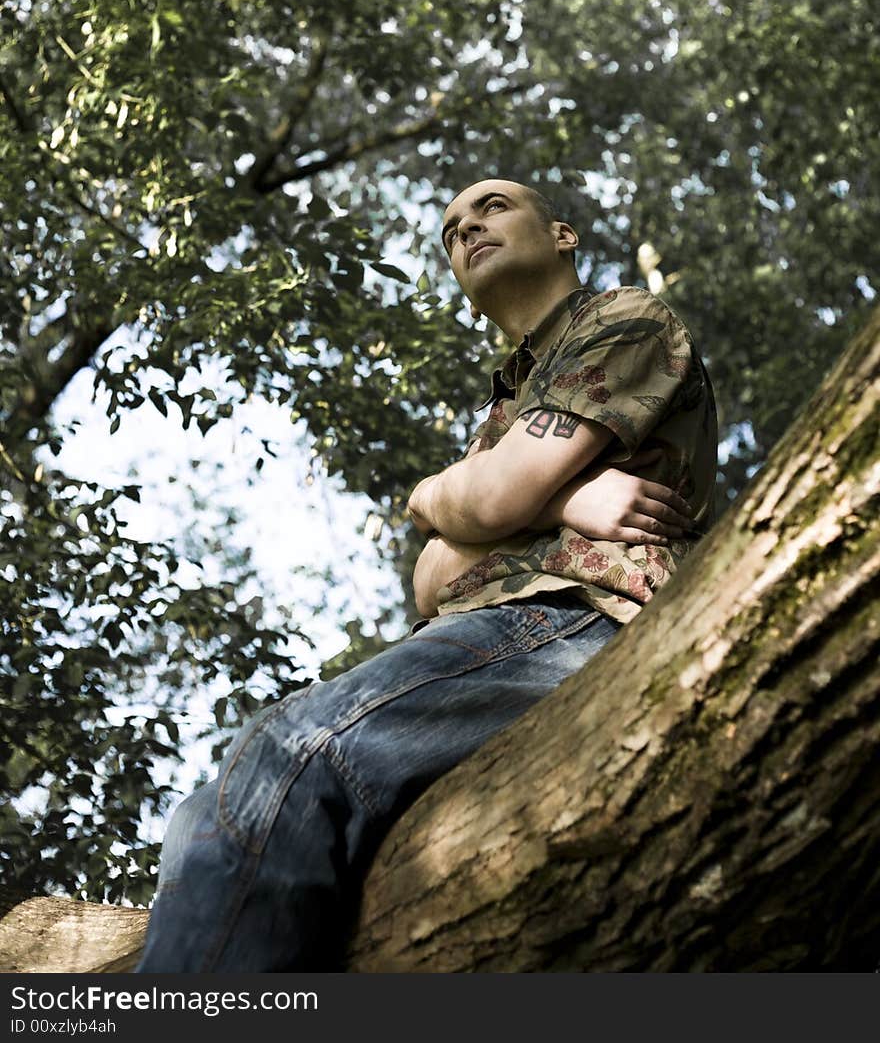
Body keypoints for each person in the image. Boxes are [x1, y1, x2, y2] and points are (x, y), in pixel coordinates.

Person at [135, 176, 717, 973]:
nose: (466, 227)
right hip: (499, 629)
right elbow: (434, 574)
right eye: (449, 230)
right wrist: (560, 495)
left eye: (493, 208)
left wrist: (472, 496)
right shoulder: (506, 405)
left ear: (562, 235)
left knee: (295, 753)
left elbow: (493, 499)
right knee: (201, 813)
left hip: (577, 614)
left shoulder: (624, 320)